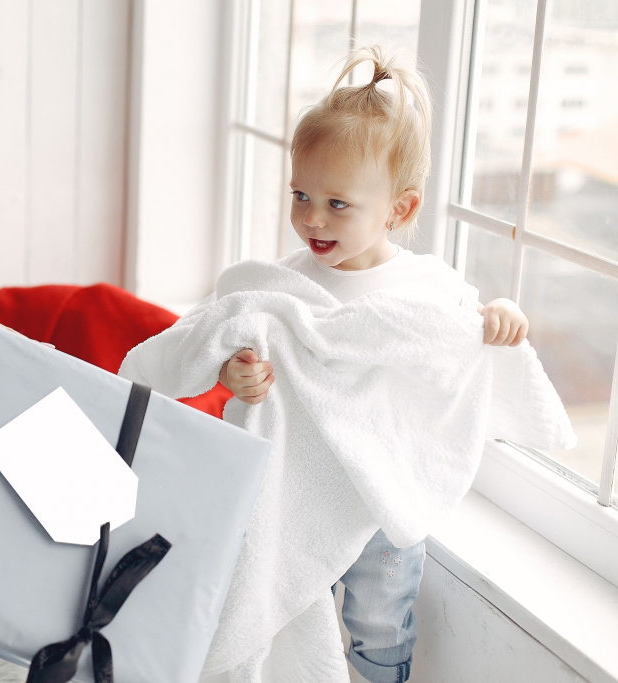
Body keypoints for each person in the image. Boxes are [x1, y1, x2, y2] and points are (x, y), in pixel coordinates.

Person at [216, 46, 529, 682]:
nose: (310, 218)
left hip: (385, 493)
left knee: (379, 621)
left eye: (337, 205)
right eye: (301, 194)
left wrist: (499, 317)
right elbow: (236, 342)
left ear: (400, 210)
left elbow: (463, 331)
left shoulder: (422, 288)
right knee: (285, 607)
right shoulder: (287, 283)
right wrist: (235, 374)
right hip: (302, 488)